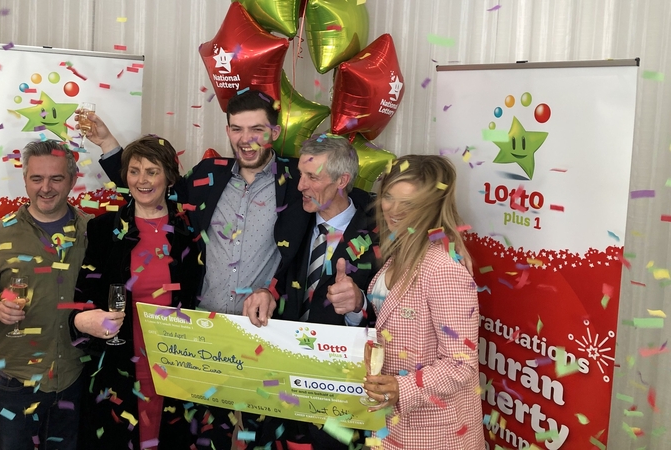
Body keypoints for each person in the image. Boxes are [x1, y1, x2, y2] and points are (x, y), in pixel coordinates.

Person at [84, 89, 312, 449]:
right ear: (227, 131)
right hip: (203, 336)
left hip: (262, 335)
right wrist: (110, 145)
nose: (246, 139)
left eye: (256, 129)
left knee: (259, 437)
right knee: (204, 436)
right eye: (237, 129)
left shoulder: (299, 181)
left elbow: (345, 206)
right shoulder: (209, 175)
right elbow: (150, 189)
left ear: (274, 132)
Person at [0, 140, 125, 450]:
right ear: (25, 180)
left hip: (75, 377)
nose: (45, 187)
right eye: (37, 178)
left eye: (56, 178)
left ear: (73, 180)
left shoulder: (93, 233)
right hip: (14, 382)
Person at [72, 135, 201, 449]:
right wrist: (81, 321)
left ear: (169, 177)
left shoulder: (192, 231)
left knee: (171, 438)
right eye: (134, 171)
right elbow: (83, 296)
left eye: (152, 171)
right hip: (118, 360)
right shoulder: (103, 229)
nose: (142, 180)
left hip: (178, 360)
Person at [362, 155, 483, 449]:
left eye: (409, 204)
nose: (393, 209)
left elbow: (460, 364)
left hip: (432, 433)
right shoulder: (402, 250)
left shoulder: (444, 268)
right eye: (389, 197)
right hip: (390, 425)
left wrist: (401, 388)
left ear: (430, 208)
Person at [273, 134, 378, 449]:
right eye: (301, 175)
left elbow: (396, 313)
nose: (301, 185)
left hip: (343, 393)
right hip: (284, 382)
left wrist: (358, 305)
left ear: (342, 180)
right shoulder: (292, 219)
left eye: (312, 177)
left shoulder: (379, 233)